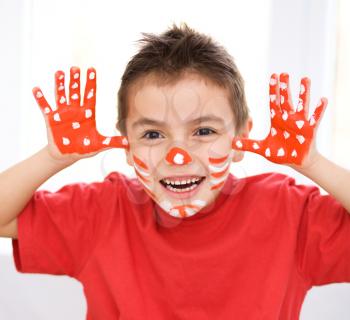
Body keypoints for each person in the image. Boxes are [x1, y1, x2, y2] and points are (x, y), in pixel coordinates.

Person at [0, 23, 349, 319]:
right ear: (126, 145)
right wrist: (54, 158)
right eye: (153, 134)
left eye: (203, 131)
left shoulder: (289, 212)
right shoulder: (104, 211)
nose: (177, 156)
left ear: (241, 138)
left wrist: (312, 164)